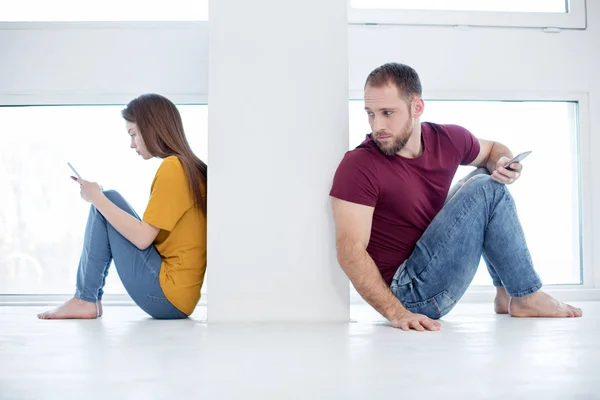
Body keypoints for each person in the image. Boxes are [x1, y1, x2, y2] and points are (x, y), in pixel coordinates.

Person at [330, 62, 582, 332]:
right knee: (484, 188)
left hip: (429, 266)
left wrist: (504, 163)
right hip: (408, 294)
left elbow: (493, 150)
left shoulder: (447, 138)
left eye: (387, 113)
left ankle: (506, 294)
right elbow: (350, 252)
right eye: (370, 114)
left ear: (417, 107)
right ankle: (526, 295)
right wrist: (397, 313)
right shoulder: (359, 165)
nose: (377, 125)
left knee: (485, 179)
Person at [38, 94, 207, 320]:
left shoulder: (174, 168)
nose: (132, 144)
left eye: (134, 134)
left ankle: (85, 299)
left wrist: (96, 198)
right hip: (181, 297)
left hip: (166, 298)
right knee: (108, 198)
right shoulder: (190, 167)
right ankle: (87, 299)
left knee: (106, 198)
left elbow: (142, 238)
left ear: (152, 128)